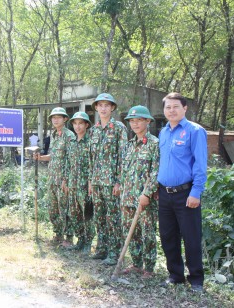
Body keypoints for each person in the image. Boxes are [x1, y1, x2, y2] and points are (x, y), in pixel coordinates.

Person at [157, 92, 207, 293]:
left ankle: (196, 279)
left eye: (175, 106)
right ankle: (175, 275)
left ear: (184, 108)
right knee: (168, 235)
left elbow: (201, 165)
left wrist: (196, 192)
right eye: (168, 107)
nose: (171, 110)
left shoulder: (195, 131)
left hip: (186, 194)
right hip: (164, 193)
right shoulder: (164, 132)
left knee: (191, 236)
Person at [120, 106, 159, 278]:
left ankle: (149, 268)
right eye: (132, 121)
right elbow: (125, 171)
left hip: (145, 198)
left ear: (148, 121)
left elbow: (156, 171)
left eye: (139, 120)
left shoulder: (154, 144)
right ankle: (136, 263)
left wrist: (147, 194)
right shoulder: (129, 145)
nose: (135, 124)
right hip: (128, 196)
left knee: (147, 232)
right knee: (131, 231)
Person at [88, 93, 127, 265]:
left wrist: (119, 181)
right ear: (96, 108)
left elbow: (123, 156)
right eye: (100, 105)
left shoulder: (119, 128)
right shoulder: (94, 130)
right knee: (100, 217)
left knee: (113, 218)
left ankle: (114, 252)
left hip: (112, 182)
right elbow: (91, 157)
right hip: (96, 182)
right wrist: (90, 180)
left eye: (107, 105)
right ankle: (101, 249)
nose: (103, 108)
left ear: (112, 108)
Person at [34, 107, 74, 244]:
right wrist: (41, 158)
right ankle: (58, 234)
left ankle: (68, 237)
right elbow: (54, 156)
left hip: (63, 179)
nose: (55, 119)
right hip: (52, 177)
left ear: (65, 119)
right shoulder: (54, 136)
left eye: (59, 117)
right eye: (53, 117)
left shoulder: (69, 136)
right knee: (53, 208)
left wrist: (66, 179)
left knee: (65, 208)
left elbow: (71, 159)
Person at [65, 112, 94, 252]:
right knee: (74, 213)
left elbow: (93, 164)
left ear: (86, 125)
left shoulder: (90, 142)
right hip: (72, 184)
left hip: (85, 185)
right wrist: (65, 180)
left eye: (80, 123)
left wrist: (90, 182)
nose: (77, 126)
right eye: (75, 123)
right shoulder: (71, 143)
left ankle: (88, 242)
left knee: (86, 214)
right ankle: (80, 239)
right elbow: (68, 163)